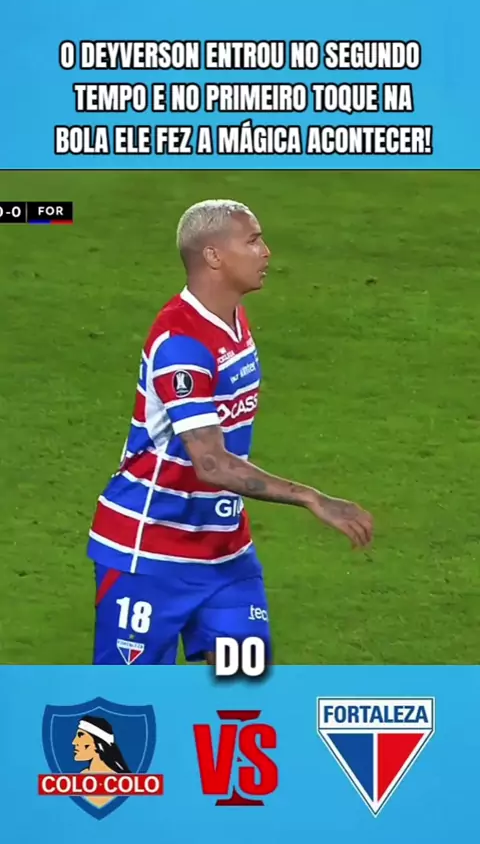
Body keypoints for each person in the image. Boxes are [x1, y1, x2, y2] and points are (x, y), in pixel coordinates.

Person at [88, 199, 373, 666]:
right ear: (214, 256)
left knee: (242, 690)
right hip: (149, 552)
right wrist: (310, 497)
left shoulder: (232, 319)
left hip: (225, 552)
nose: (267, 251)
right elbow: (211, 463)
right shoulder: (182, 343)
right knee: (133, 701)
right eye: (253, 240)